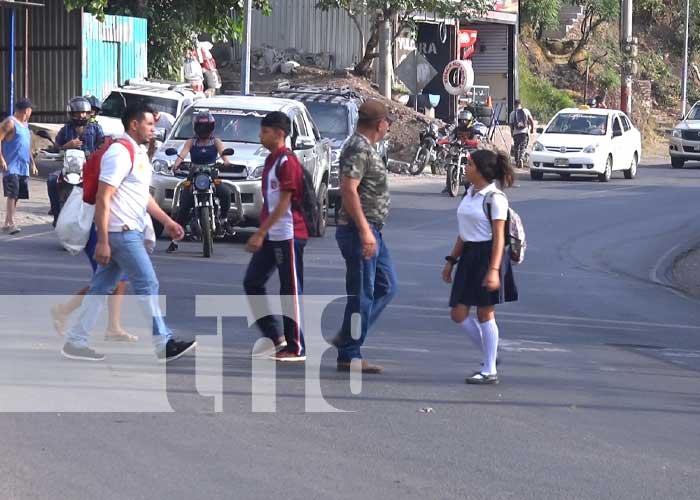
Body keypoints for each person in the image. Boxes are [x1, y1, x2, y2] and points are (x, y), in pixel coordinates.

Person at [61, 102, 195, 362]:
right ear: (134, 124)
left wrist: (167, 221)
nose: (153, 129)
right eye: (149, 124)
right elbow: (103, 197)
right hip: (120, 232)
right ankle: (163, 342)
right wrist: (102, 240)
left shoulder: (138, 153)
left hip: (125, 231)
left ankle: (76, 341)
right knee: (148, 283)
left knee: (102, 286)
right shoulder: (120, 153)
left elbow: (142, 196)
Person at [442, 149, 518, 385]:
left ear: (481, 170)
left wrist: (494, 270)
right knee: (458, 313)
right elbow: (464, 233)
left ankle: (489, 369)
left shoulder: (495, 198)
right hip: (468, 257)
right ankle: (491, 355)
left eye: (470, 164)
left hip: (487, 257)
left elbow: (499, 239)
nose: (466, 168)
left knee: (485, 312)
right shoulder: (470, 193)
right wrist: (451, 261)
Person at [334, 100, 397, 374]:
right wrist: (363, 230)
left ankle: (349, 338)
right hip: (360, 230)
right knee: (362, 295)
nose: (389, 126)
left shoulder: (365, 146)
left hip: (372, 231)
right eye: (388, 122)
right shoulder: (359, 148)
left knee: (387, 286)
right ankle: (349, 353)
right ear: (380, 124)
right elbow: (348, 189)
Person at [243, 111, 308, 362]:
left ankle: (296, 346)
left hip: (288, 234)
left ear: (279, 134)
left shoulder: (286, 162)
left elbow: (284, 203)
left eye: (265, 131)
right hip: (272, 234)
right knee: (252, 282)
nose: (260, 136)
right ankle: (274, 336)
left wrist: (259, 232)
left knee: (289, 290)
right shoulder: (271, 160)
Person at [166, 110, 232, 253]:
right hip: (194, 175)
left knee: (225, 193)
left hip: (212, 175)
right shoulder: (191, 142)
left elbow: (224, 154)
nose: (203, 130)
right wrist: (176, 164)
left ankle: (224, 220)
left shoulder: (216, 141)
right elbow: (182, 155)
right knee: (184, 204)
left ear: (212, 127)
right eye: (201, 127)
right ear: (195, 127)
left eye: (206, 127)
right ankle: (175, 239)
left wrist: (226, 161)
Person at [49, 96, 106, 224]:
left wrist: (95, 154)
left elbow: (103, 146)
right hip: (69, 169)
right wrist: (66, 146)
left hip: (90, 169)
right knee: (52, 180)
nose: (81, 115)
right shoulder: (66, 130)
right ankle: (56, 213)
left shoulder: (96, 128)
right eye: (78, 113)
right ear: (71, 113)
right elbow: (56, 146)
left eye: (84, 112)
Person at [1, 98, 37, 235]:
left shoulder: (25, 125)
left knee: (17, 195)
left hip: (23, 166)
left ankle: (6, 223)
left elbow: (27, 146)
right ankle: (11, 223)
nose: (31, 113)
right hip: (11, 166)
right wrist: (1, 159)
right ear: (26, 111)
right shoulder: (10, 123)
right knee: (12, 193)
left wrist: (33, 163)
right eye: (30, 110)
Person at [509, 99, 534, 169]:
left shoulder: (512, 113)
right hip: (524, 132)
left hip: (516, 133)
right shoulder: (526, 111)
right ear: (520, 104)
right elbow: (531, 120)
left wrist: (511, 133)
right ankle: (521, 158)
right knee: (523, 146)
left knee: (516, 147)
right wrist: (532, 129)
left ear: (514, 104)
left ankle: (517, 161)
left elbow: (511, 125)